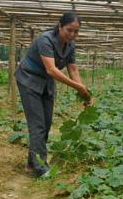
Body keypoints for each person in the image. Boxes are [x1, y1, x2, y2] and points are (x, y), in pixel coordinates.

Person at [15, 12, 93, 178]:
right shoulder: (45, 40)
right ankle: (40, 168)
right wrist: (78, 87)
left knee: (47, 122)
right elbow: (52, 69)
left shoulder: (70, 46)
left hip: (46, 83)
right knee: (37, 123)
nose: (72, 34)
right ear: (60, 26)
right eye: (69, 30)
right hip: (29, 79)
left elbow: (73, 69)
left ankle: (31, 163)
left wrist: (83, 91)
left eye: (76, 31)